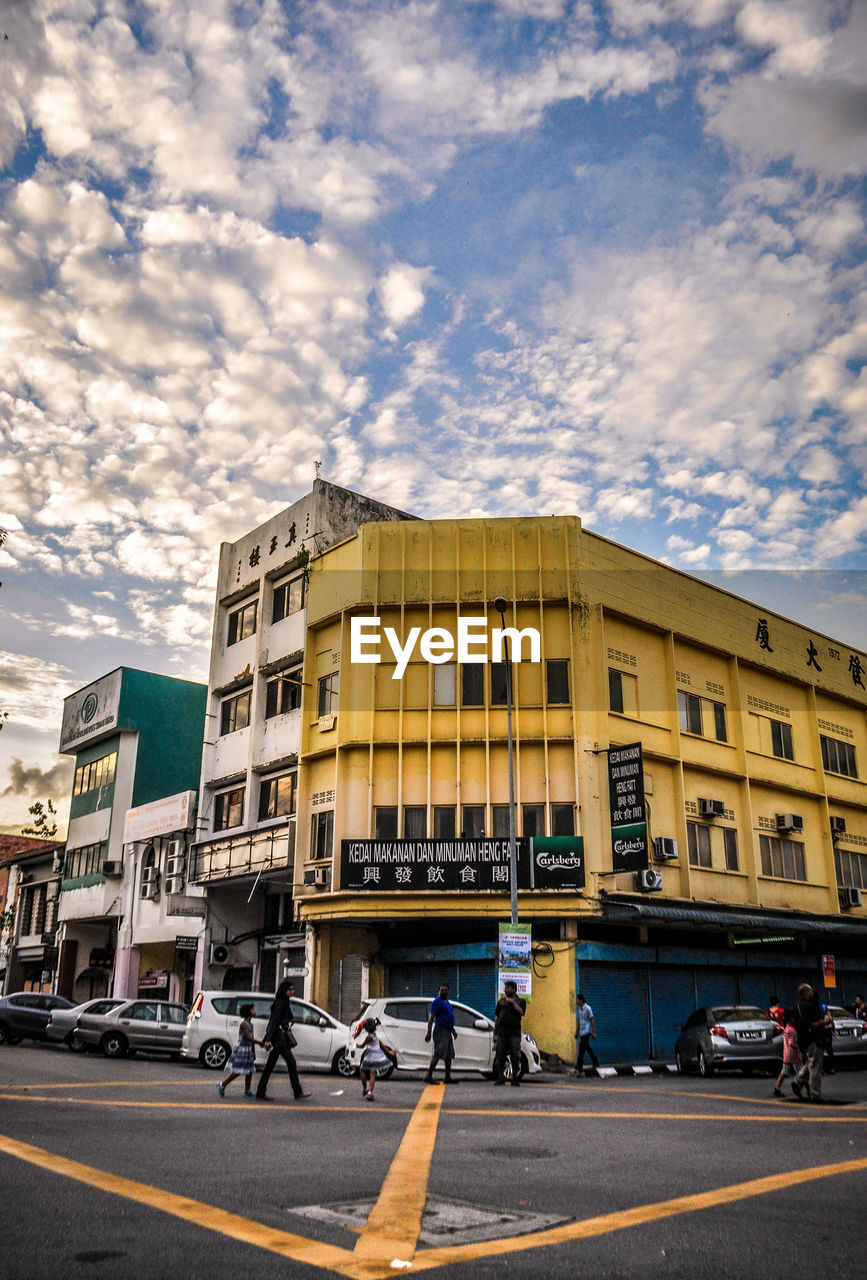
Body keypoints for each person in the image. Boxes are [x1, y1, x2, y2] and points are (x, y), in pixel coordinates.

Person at [255, 979, 311, 1102]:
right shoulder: (280, 1003)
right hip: (279, 1039)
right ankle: (297, 1092)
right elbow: (274, 1021)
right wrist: (268, 1039)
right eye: (290, 989)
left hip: (278, 1039)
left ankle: (261, 1091)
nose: (292, 992)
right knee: (290, 1063)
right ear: (285, 991)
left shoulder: (283, 1002)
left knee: (271, 1066)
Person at [217, 1003, 266, 1098]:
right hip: (242, 1049)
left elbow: (251, 1039)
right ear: (248, 1012)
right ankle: (223, 1084)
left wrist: (253, 1052)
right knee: (238, 1070)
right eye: (252, 1009)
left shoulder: (251, 1024)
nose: (254, 1011)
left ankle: (247, 1090)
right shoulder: (243, 1024)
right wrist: (260, 1042)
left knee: (250, 1070)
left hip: (248, 1050)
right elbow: (248, 1037)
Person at [791, 983, 828, 1103]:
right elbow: (816, 1023)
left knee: (811, 1062)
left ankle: (798, 1080)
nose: (812, 993)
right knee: (816, 1067)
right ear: (806, 992)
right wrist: (826, 1021)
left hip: (802, 1039)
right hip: (813, 1038)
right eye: (810, 991)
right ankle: (816, 1094)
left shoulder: (796, 1006)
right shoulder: (811, 1006)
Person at [492, 979, 526, 1086]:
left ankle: (514, 1078)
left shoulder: (521, 1001)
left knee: (515, 1056)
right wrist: (495, 1030)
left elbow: (521, 1012)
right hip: (502, 1033)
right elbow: (497, 1016)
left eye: (508, 988)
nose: (506, 990)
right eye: (505, 988)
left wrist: (513, 1003)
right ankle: (501, 1077)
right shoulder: (501, 1001)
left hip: (514, 1034)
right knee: (500, 1055)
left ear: (514, 990)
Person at [424, 983, 457, 1084]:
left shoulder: (446, 1002)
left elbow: (448, 1018)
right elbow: (431, 1018)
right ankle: (428, 1076)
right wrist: (429, 1032)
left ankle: (447, 1076)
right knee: (438, 1053)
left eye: (446, 990)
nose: (444, 992)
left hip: (447, 1031)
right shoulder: (437, 1002)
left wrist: (453, 1030)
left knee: (449, 1055)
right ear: (438, 992)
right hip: (440, 1031)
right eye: (442, 990)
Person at [355, 1017, 393, 1101]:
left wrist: (358, 1045)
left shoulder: (368, 1037)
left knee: (362, 1070)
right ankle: (370, 1092)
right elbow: (380, 1043)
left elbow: (363, 1046)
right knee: (373, 1074)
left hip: (370, 1056)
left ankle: (365, 1088)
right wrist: (389, 1052)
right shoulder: (375, 1035)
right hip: (378, 1056)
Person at [772, 1009, 801, 1097]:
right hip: (794, 1055)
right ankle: (807, 1090)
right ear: (791, 1018)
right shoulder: (791, 1030)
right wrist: (800, 1046)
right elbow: (791, 1043)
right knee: (802, 1073)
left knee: (784, 1072)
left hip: (787, 1054)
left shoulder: (787, 1028)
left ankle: (777, 1088)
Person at [574, 993, 599, 1078]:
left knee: (582, 1048)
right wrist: (576, 1032)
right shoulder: (579, 1009)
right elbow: (579, 1021)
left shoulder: (588, 1008)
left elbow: (592, 1019)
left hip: (587, 1031)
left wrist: (594, 1032)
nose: (576, 1001)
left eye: (577, 999)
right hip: (581, 1031)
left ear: (581, 1000)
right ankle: (595, 1061)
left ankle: (579, 1066)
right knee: (587, 1047)